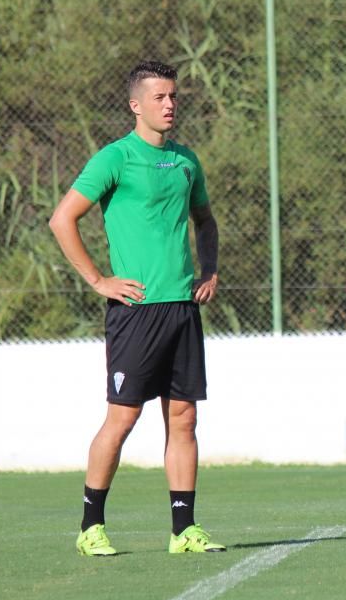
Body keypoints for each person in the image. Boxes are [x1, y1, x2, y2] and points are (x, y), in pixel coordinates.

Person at [49, 60, 226, 556]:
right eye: (159, 97)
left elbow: (205, 220)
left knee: (184, 419)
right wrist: (98, 280)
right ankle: (90, 527)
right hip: (136, 311)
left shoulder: (186, 160)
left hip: (182, 309)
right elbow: (63, 219)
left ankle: (183, 531)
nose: (170, 105)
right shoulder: (115, 159)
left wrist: (208, 269)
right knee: (122, 419)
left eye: (174, 96)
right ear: (135, 105)